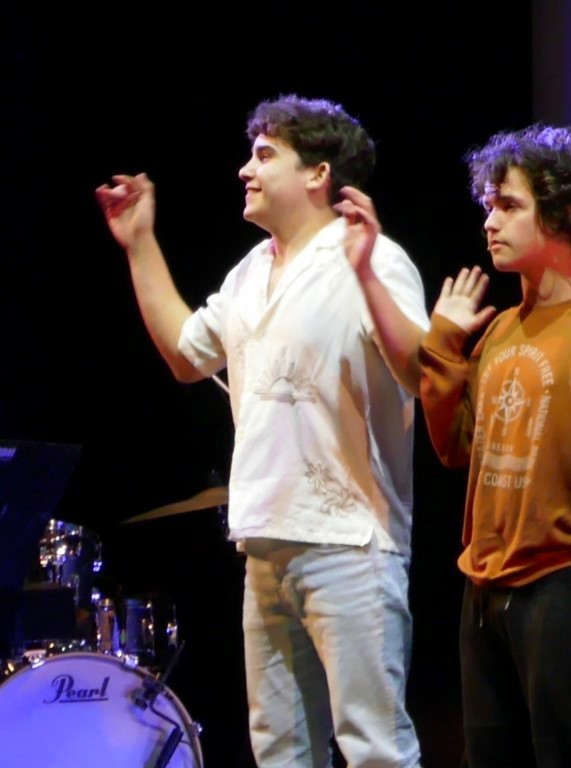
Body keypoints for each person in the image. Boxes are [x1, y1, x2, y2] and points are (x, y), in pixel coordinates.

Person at [94, 94, 426, 768]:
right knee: (280, 751)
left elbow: (423, 372)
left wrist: (365, 273)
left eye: (265, 155)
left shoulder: (374, 259)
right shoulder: (249, 271)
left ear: (318, 174)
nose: (245, 170)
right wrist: (140, 243)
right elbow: (187, 355)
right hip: (265, 543)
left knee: (375, 749)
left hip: (349, 542)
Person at [411, 124, 571, 767]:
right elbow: (455, 450)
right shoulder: (498, 331)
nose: (489, 221)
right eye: (488, 205)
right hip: (485, 587)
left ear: (564, 214)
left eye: (509, 205)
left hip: (568, 586)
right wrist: (443, 348)